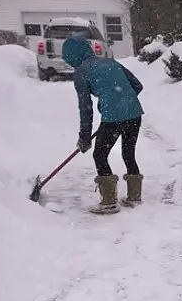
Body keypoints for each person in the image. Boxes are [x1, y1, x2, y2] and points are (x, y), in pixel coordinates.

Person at [62, 36, 145, 214]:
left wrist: (85, 137)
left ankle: (109, 202)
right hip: (135, 113)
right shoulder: (109, 62)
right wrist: (121, 100)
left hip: (114, 118)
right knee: (128, 153)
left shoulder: (81, 72)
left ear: (72, 57)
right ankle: (134, 197)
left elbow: (85, 108)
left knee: (100, 155)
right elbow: (137, 85)